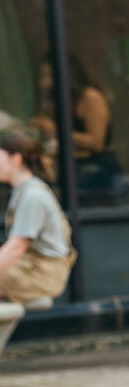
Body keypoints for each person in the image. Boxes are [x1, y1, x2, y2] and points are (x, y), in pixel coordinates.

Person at [31, 56, 128, 206]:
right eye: (42, 76)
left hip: (96, 171)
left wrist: (56, 130)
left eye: (49, 76)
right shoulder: (61, 99)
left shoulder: (90, 98)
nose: (45, 82)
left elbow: (97, 142)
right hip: (72, 169)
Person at [0, 130, 75, 308]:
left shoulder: (32, 196)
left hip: (41, 274)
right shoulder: (23, 192)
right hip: (31, 268)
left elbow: (17, 247)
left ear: (16, 159)